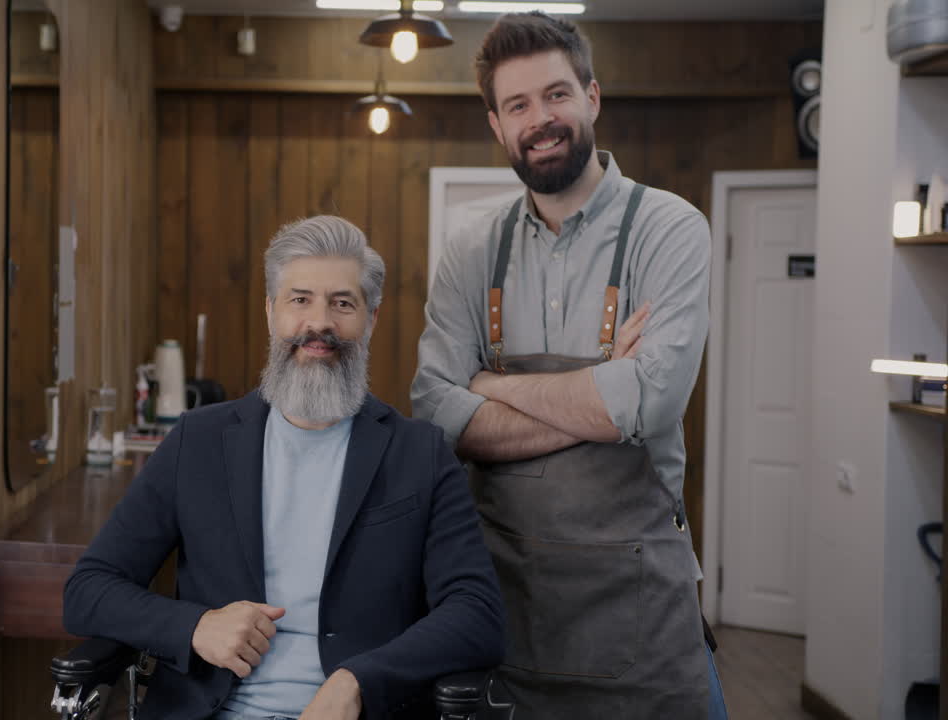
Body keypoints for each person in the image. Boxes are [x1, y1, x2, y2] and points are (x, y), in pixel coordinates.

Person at [411, 12, 728, 720]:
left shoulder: (668, 229)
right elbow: (435, 411)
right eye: (517, 104)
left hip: (641, 623)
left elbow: (646, 407)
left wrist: (492, 387)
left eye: (556, 95)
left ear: (592, 97)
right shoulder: (470, 252)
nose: (540, 119)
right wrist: (596, 398)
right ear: (496, 125)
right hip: (502, 612)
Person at [65, 215, 505, 720]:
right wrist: (194, 627)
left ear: (372, 319)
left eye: (343, 303)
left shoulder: (419, 454)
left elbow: (478, 615)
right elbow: (89, 589)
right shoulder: (198, 441)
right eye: (300, 299)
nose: (320, 323)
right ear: (271, 311)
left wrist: (357, 681)